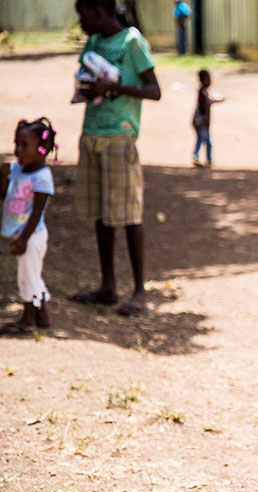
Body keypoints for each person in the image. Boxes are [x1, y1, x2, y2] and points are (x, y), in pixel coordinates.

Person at [68, 0, 161, 316]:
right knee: (102, 215)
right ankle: (108, 286)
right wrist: (88, 88)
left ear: (99, 11)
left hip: (120, 137)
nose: (80, 22)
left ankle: (138, 292)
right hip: (92, 132)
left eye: (83, 15)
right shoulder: (94, 43)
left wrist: (115, 86)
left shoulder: (132, 41)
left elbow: (154, 90)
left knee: (128, 215)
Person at [0, 119, 58, 336]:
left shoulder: (42, 177)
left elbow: (36, 213)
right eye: (16, 143)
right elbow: (5, 197)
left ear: (42, 150)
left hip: (32, 236)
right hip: (21, 234)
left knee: (27, 277)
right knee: (33, 274)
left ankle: (28, 320)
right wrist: (3, 178)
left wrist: (24, 239)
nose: (18, 150)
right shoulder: (16, 169)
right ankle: (41, 314)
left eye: (24, 145)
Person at [192, 69, 224, 167]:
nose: (210, 81)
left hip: (201, 122)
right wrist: (215, 101)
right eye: (208, 79)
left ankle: (201, 157)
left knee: (201, 140)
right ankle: (202, 158)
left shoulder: (203, 92)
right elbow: (204, 105)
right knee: (206, 141)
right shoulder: (202, 92)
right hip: (202, 123)